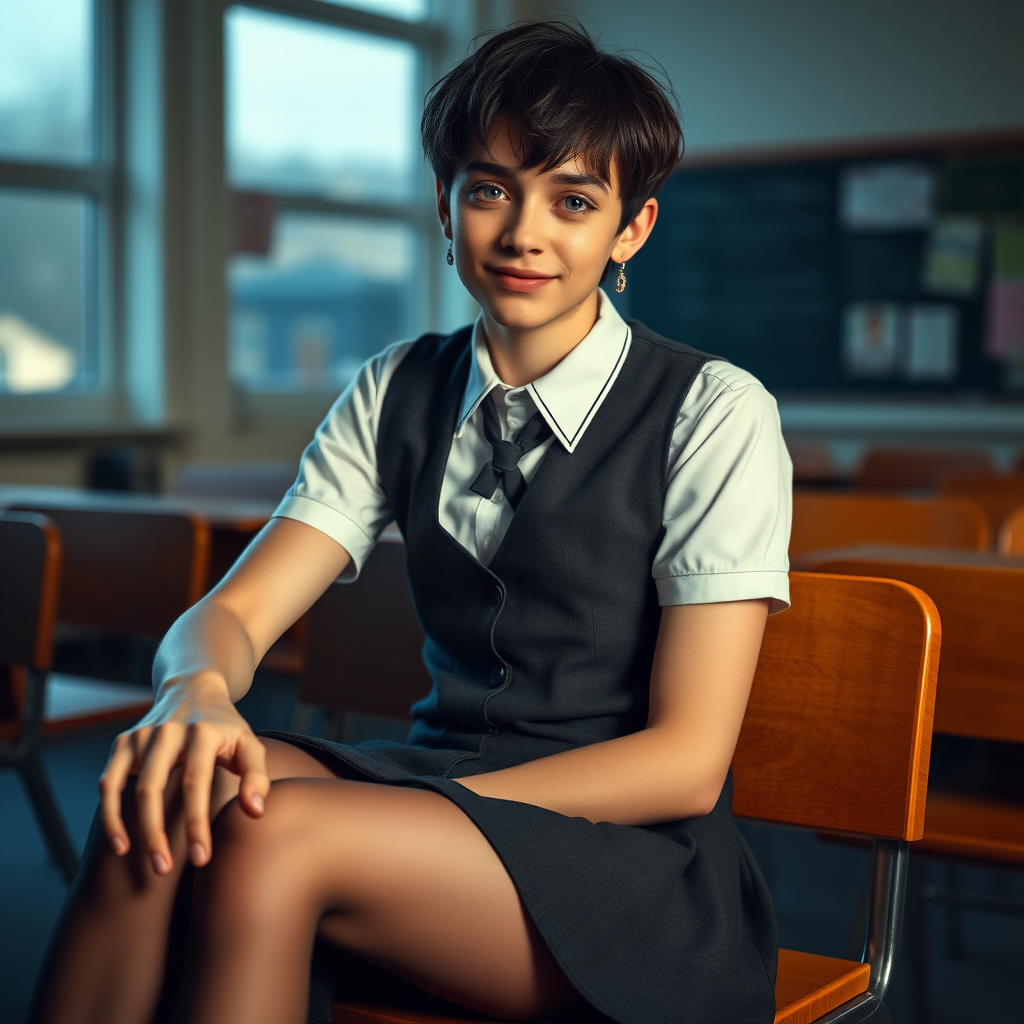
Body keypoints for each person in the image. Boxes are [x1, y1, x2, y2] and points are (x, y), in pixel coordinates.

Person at [30, 20, 791, 1024]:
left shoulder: (712, 408)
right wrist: (196, 688)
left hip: (635, 859)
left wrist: (419, 809)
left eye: (572, 201)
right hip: (432, 793)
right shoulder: (395, 386)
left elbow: (685, 763)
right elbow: (235, 613)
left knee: (276, 832)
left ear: (630, 230)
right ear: (445, 207)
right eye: (489, 191)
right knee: (168, 786)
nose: (524, 232)